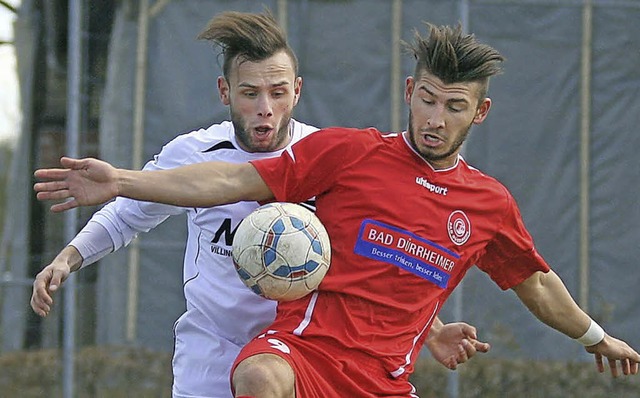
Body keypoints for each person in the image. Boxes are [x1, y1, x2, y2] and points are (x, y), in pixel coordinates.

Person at [30, 12, 490, 398]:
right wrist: (69, 257)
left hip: (301, 355)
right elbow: (128, 210)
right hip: (211, 351)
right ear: (225, 92)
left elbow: (375, 267)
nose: (265, 107)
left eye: (277, 92)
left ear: (297, 91)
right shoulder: (194, 154)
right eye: (250, 93)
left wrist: (431, 328)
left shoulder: (328, 158)